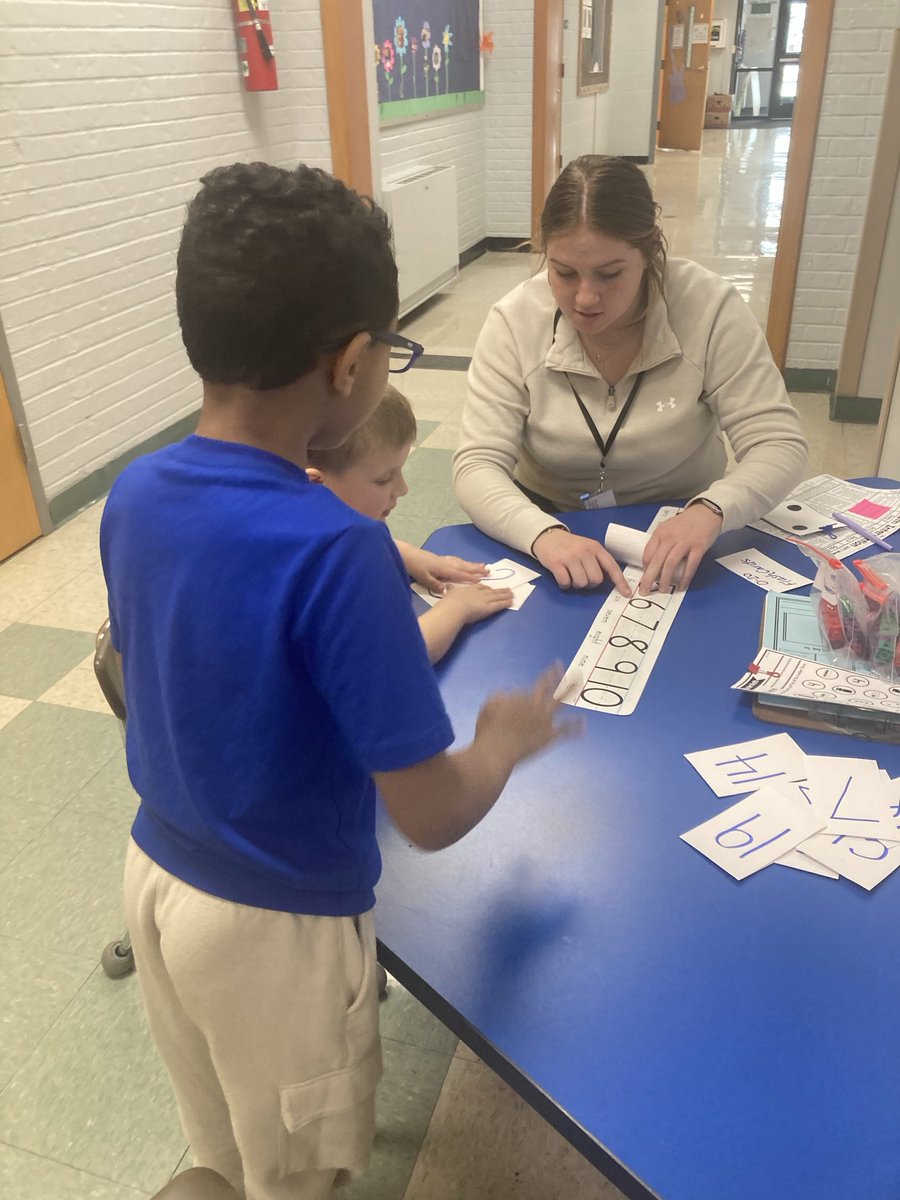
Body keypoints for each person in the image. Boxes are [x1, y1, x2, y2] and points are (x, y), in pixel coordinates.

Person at [99, 162, 580, 1200]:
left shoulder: (133, 493)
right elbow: (434, 813)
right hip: (274, 928)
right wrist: (499, 741)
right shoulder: (338, 552)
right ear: (356, 362)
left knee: (226, 1146)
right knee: (302, 1176)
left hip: (154, 881)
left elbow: (210, 621)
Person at [453, 155, 808, 595]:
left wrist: (710, 510)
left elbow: (778, 442)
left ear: (650, 249)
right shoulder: (515, 320)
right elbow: (477, 465)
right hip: (551, 523)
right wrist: (543, 534)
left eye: (610, 274)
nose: (584, 297)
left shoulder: (709, 306)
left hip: (684, 519)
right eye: (563, 273)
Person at [307, 385, 514, 662]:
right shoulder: (340, 565)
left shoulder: (313, 520)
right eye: (383, 479)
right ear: (318, 482)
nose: (403, 489)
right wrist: (456, 608)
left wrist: (411, 556)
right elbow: (395, 656)